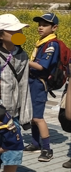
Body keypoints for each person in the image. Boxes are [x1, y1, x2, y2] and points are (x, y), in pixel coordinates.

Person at [0, 14, 32, 172]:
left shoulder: (22, 55)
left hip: (12, 113)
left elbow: (24, 85)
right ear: (0, 34)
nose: (19, 34)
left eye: (20, 30)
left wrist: (25, 115)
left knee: (15, 150)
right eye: (14, 31)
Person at [24, 13, 61, 162]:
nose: (40, 27)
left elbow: (41, 66)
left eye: (45, 25)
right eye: (39, 24)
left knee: (38, 117)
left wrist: (22, 60)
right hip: (32, 82)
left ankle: (47, 149)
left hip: (39, 83)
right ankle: (35, 143)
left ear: (54, 28)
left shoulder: (52, 45)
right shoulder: (42, 42)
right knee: (32, 115)